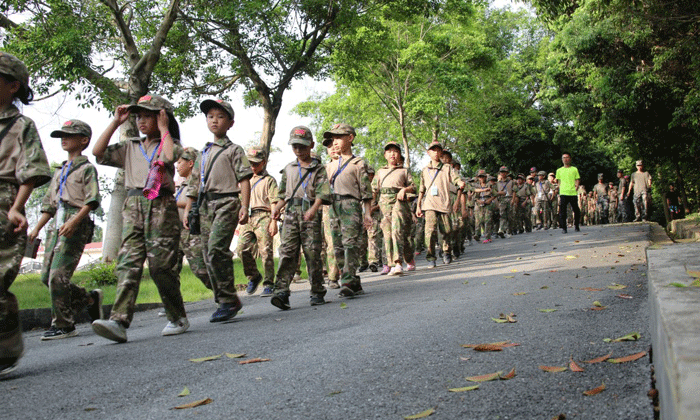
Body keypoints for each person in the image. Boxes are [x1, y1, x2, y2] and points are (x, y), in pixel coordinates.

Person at [92, 94, 188, 343]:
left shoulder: (170, 141)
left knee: (160, 267)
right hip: (133, 204)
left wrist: (165, 127)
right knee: (128, 262)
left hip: (161, 206)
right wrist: (115, 123)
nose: (141, 121)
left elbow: (168, 157)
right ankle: (118, 320)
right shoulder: (130, 145)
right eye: (138, 116)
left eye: (148, 115)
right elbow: (98, 152)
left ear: (161, 116)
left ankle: (177, 316)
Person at [0, 52, 51, 376]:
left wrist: (17, 207)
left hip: (5, 200)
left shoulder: (21, 125)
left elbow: (32, 170)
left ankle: (6, 345)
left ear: (13, 85)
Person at [28, 120, 103, 340]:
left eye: (69, 135)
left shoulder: (86, 168)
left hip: (75, 222)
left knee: (58, 276)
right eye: (62, 135)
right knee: (46, 277)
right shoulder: (60, 170)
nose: (64, 138)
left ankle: (64, 324)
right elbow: (49, 206)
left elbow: (92, 200)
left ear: (83, 140)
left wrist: (74, 222)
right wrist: (36, 229)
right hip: (56, 224)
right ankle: (88, 299)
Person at [184, 99, 252, 323]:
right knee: (205, 255)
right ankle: (226, 298)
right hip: (204, 206)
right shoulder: (202, 153)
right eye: (210, 116)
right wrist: (188, 209)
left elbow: (244, 179)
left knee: (215, 249)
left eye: (220, 116)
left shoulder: (234, 150)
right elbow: (193, 185)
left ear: (230, 123)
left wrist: (244, 205)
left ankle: (227, 300)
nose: (214, 120)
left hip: (227, 202)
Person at [269, 126, 330, 309]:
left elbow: (322, 193)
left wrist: (314, 209)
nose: (298, 150)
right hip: (290, 214)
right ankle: (281, 292)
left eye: (302, 146)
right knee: (287, 251)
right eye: (295, 146)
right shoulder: (289, 169)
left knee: (312, 253)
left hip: (309, 212)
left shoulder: (318, 169)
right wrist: (276, 209)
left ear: (311, 145)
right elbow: (283, 194)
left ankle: (317, 290)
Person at [324, 123, 372, 297]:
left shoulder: (358, 164)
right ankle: (353, 280)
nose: (335, 142)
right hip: (333, 207)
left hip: (351, 206)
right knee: (337, 246)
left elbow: (366, 192)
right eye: (333, 138)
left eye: (338, 137)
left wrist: (367, 214)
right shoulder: (329, 166)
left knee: (350, 245)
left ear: (350, 138)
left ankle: (347, 281)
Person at [238, 146, 279, 298]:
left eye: (256, 163)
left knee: (266, 251)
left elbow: (275, 201)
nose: (253, 167)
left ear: (263, 163)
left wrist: (274, 222)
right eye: (251, 163)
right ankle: (253, 276)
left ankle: (269, 283)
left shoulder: (269, 180)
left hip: (264, 216)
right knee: (242, 248)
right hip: (248, 217)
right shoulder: (244, 180)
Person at [416, 141, 465, 266]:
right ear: (428, 152)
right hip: (429, 204)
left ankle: (446, 251)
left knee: (447, 230)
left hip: (444, 203)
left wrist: (459, 183)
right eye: (433, 150)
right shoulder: (424, 170)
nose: (436, 152)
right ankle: (431, 257)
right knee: (430, 231)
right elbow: (421, 189)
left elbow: (455, 178)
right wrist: (418, 206)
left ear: (441, 152)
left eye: (438, 150)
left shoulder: (447, 168)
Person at [173, 147, 212, 301]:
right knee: (170, 270)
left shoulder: (199, 184)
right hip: (176, 232)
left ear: (190, 163)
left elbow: (200, 203)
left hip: (191, 232)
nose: (177, 165)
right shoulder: (181, 186)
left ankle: (224, 293)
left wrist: (174, 203)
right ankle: (173, 304)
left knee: (200, 269)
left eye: (180, 162)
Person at [372, 141, 416, 275]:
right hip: (384, 204)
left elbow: (414, 187)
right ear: (385, 155)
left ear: (399, 155)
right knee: (387, 234)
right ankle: (392, 263)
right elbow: (373, 191)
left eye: (395, 151)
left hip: (399, 202)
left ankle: (398, 262)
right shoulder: (380, 172)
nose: (392, 154)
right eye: (389, 151)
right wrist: (369, 208)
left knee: (397, 231)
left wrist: (405, 189)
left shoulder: (404, 171)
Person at [555, 152, 581, 233]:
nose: (565, 159)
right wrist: (560, 188)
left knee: (576, 210)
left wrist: (576, 186)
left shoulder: (574, 169)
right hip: (563, 192)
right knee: (562, 211)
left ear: (570, 159)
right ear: (562, 159)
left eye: (567, 157)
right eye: (564, 158)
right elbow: (558, 181)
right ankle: (564, 227)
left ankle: (576, 225)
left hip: (572, 192)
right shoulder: (559, 170)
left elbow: (577, 179)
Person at [473, 169, 496, 242]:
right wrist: (478, 201)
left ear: (486, 177)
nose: (481, 178)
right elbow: (475, 197)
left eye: (483, 177)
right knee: (478, 220)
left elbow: (495, 194)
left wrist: (490, 200)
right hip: (479, 203)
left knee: (488, 220)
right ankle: (477, 234)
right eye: (480, 177)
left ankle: (487, 236)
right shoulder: (476, 186)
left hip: (487, 202)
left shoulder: (490, 185)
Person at [495, 166, 515, 238]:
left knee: (510, 216)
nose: (503, 173)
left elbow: (514, 191)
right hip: (502, 200)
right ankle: (501, 230)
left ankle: (509, 231)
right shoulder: (497, 183)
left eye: (504, 172)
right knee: (502, 215)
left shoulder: (511, 182)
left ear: (507, 173)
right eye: (501, 172)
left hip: (509, 198)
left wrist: (513, 199)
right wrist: (499, 194)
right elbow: (495, 193)